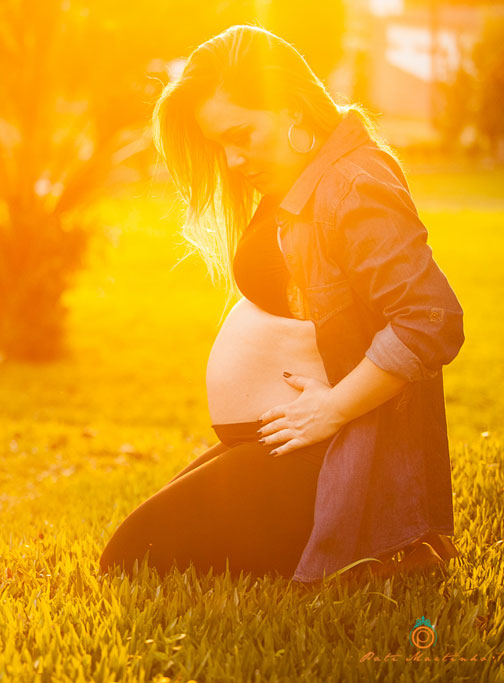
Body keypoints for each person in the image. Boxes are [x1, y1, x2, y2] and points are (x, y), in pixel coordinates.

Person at [98, 25, 465, 586]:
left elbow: (430, 319)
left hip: (333, 453)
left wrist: (335, 407)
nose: (234, 159)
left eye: (242, 134)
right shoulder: (301, 177)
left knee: (132, 560)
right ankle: (395, 547)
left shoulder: (353, 184)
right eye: (220, 144)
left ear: (292, 106)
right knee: (137, 549)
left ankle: (393, 549)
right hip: (292, 437)